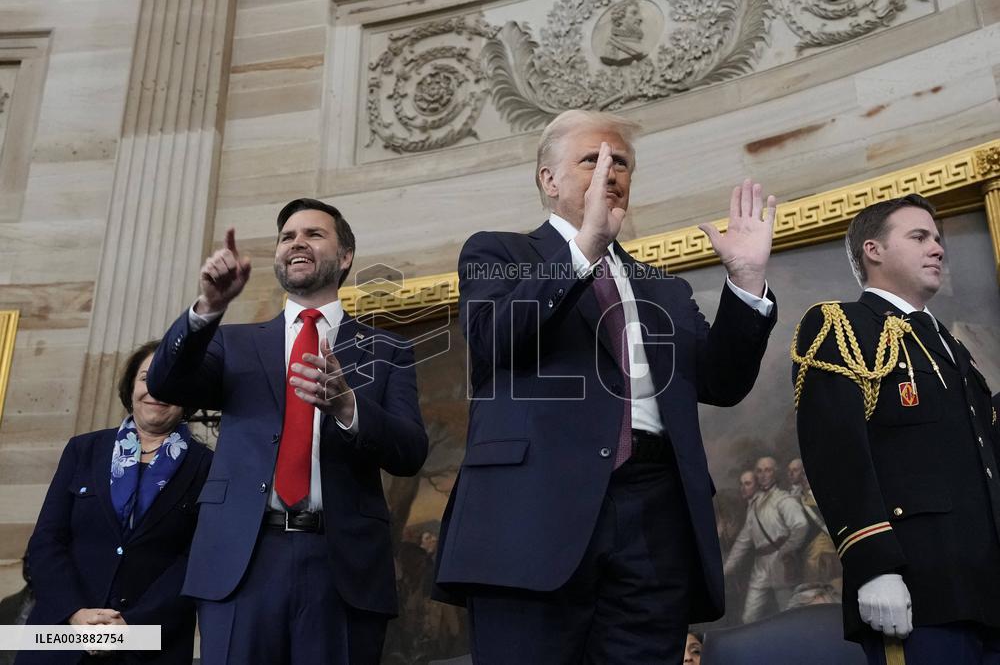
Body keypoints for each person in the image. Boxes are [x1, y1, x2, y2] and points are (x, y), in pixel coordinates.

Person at [435, 109, 778, 663]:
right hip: (533, 511)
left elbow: (722, 381)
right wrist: (586, 248)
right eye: (590, 159)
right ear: (549, 180)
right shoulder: (497, 254)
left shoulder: (663, 289)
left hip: (655, 515)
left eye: (619, 162)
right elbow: (495, 338)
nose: (608, 170)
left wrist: (745, 282)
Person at [147, 199, 428, 665]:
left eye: (314, 234)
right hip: (242, 561)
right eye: (287, 237)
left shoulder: (387, 349)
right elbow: (165, 383)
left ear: (345, 257)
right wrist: (208, 307)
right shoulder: (233, 342)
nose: (297, 242)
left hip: (341, 565)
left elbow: (411, 451)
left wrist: (348, 405)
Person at [792, 194, 1000, 663]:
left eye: (938, 239)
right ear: (874, 250)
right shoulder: (843, 326)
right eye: (919, 237)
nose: (937, 248)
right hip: (917, 591)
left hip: (987, 591)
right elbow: (835, 451)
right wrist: (874, 564)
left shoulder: (951, 347)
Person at [17, 341, 213, 665]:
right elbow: (47, 541)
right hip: (62, 636)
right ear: (131, 386)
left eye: (171, 379)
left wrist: (129, 628)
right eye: (147, 378)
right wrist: (76, 613)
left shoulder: (209, 467)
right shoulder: (84, 450)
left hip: (147, 645)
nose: (156, 389)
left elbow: (198, 561)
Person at [723, 456, 808, 623]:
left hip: (781, 563)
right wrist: (724, 571)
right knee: (749, 616)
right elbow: (742, 542)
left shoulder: (784, 499)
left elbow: (801, 526)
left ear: (775, 473)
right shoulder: (754, 505)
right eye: (759, 471)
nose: (763, 475)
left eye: (767, 470)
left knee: (788, 611)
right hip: (760, 566)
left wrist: (786, 550)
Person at [787, 458, 839, 584]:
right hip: (810, 548)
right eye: (802, 475)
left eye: (796, 471)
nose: (804, 478)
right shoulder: (797, 497)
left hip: (827, 545)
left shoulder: (826, 491)